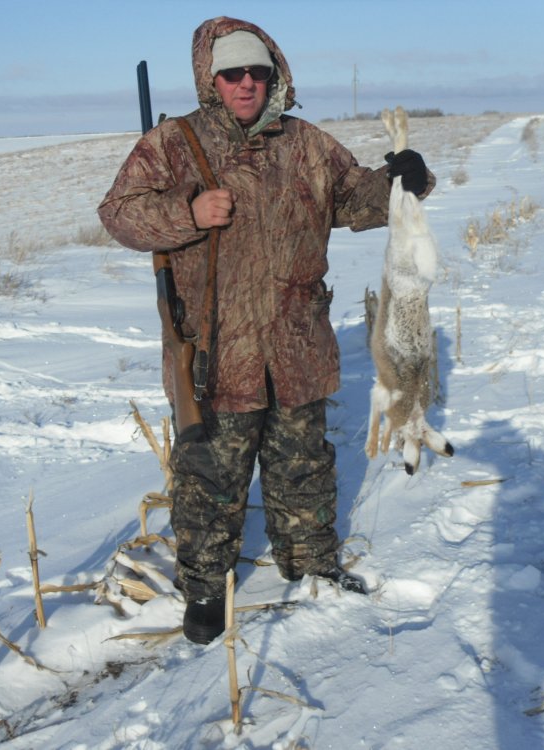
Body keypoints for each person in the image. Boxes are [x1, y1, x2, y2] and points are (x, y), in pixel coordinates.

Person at [98, 16, 435, 644]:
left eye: (257, 71)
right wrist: (187, 211)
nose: (246, 83)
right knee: (210, 478)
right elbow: (118, 214)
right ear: (212, 79)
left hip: (297, 345)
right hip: (217, 351)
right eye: (233, 73)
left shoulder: (307, 144)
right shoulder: (173, 144)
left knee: (303, 466)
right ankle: (205, 589)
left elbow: (355, 200)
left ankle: (311, 566)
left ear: (273, 74)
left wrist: (402, 183)